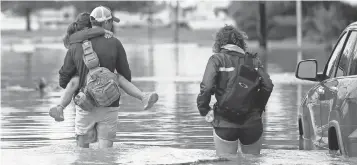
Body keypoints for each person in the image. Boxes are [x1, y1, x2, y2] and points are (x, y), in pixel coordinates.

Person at [57, 6, 157, 148]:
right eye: (111, 22)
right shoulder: (114, 42)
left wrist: (77, 80)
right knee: (106, 155)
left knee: (82, 154)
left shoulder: (75, 46)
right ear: (105, 23)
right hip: (110, 104)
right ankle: (143, 97)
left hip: (85, 104)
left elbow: (63, 80)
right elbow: (126, 75)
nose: (112, 25)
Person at [197, 25, 274, 156]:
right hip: (252, 123)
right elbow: (268, 85)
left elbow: (207, 87)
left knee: (226, 162)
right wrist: (257, 109)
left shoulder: (217, 59)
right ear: (241, 42)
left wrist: (205, 110)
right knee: (252, 162)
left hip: (224, 122)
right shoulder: (253, 61)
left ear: (219, 42)